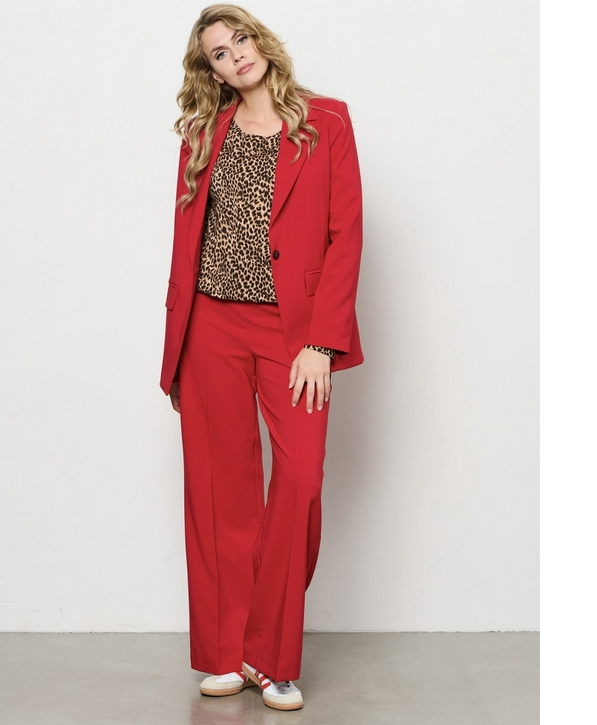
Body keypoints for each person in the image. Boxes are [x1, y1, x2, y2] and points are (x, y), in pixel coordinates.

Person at [159, 3, 364, 712]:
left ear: (261, 42)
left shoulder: (326, 121)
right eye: (218, 52)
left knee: (299, 479)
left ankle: (271, 654)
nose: (235, 55)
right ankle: (225, 652)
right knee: (220, 492)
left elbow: (345, 234)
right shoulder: (203, 132)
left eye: (239, 39)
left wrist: (321, 340)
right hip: (209, 327)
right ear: (211, 72)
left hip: (292, 332)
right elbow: (186, 242)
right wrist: (177, 345)